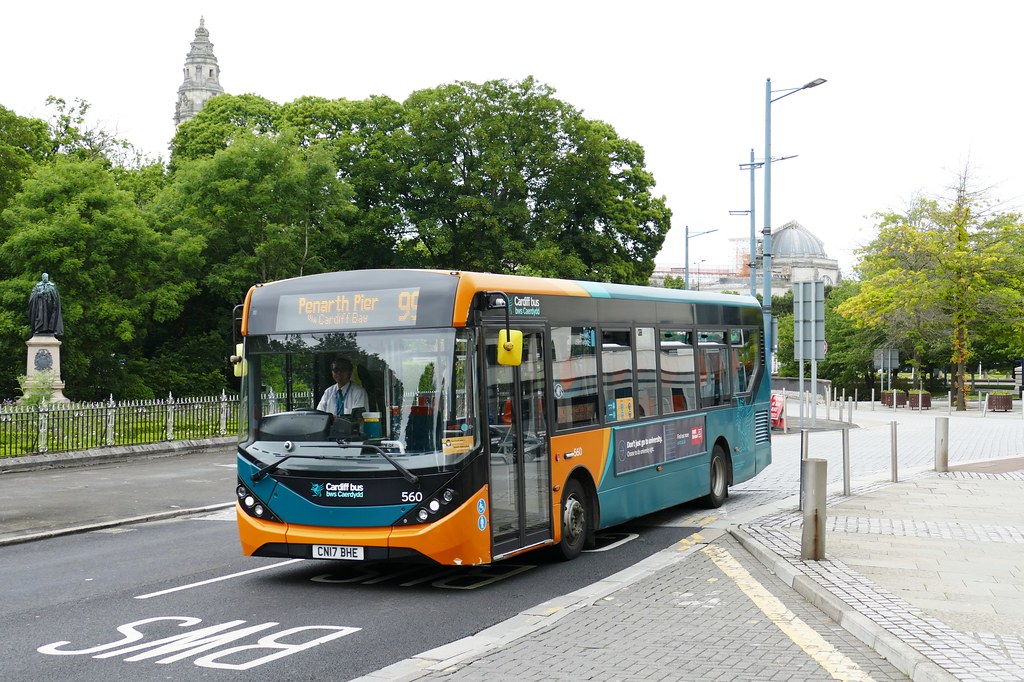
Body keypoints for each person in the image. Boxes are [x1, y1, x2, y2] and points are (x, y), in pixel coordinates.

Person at [28, 272, 64, 337]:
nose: (45, 278)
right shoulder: (37, 285)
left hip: (50, 304)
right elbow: (33, 295)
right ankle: (39, 329)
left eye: (46, 277)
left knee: (50, 317)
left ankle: (50, 329)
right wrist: (39, 294)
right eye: (44, 277)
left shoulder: (52, 285)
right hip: (40, 305)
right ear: (42, 278)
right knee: (40, 316)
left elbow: (56, 296)